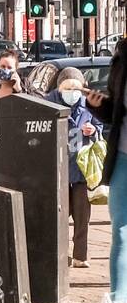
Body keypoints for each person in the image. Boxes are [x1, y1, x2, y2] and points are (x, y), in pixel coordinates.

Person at [83, 37, 127, 303]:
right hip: (123, 154)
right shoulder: (122, 56)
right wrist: (97, 105)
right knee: (120, 229)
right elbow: (116, 110)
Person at [50, 67, 100, 270]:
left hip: (81, 169)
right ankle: (60, 255)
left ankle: (80, 255)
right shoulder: (50, 102)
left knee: (81, 216)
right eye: (67, 87)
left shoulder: (88, 106)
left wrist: (93, 130)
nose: (72, 92)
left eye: (76, 88)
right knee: (60, 214)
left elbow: (99, 125)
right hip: (58, 169)